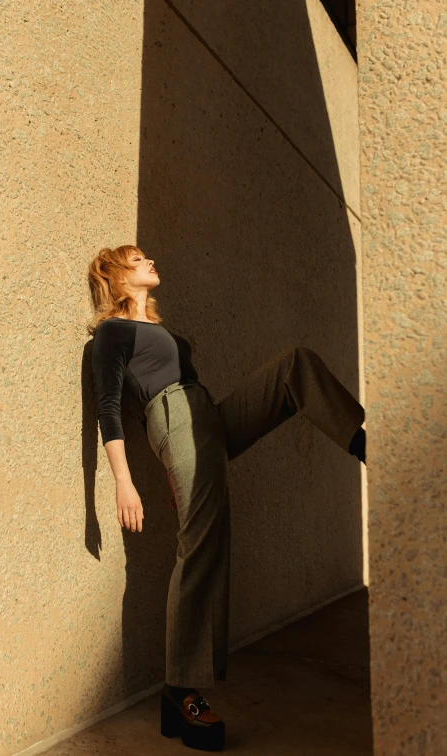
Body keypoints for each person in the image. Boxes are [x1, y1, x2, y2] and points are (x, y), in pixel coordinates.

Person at [88, 244, 366, 751]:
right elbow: (108, 405)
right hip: (176, 418)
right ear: (119, 278)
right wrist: (123, 480)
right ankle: (180, 692)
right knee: (203, 547)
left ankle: (363, 441)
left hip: (206, 417)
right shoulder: (112, 332)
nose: (150, 261)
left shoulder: (161, 330)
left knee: (294, 368)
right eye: (137, 260)